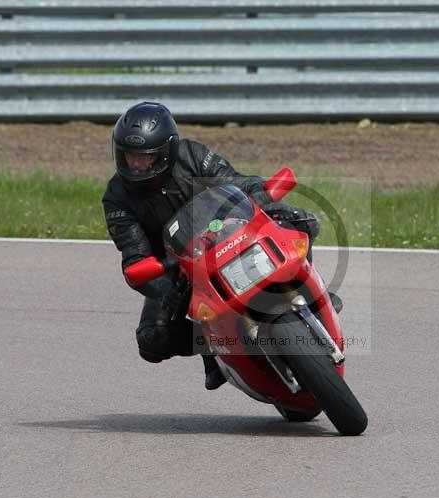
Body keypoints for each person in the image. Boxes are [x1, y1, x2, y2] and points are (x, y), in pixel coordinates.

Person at [102, 102, 330, 390]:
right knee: (152, 340)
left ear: (166, 152)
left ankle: (307, 292)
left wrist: (263, 194)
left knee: (297, 220)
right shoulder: (116, 197)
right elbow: (135, 257)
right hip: (178, 270)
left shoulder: (192, 156)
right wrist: (166, 289)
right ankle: (213, 348)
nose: (135, 165)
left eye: (144, 158)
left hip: (230, 237)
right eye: (129, 156)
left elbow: (235, 183)